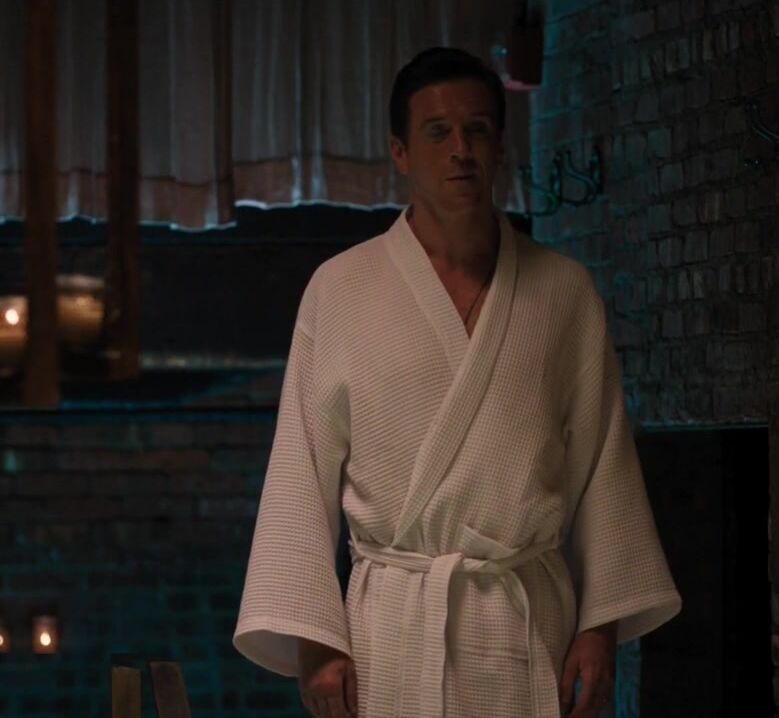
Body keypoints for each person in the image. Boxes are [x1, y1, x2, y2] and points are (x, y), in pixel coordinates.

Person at [233, 47, 681, 717]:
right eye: (438, 132)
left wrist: (599, 628)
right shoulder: (340, 289)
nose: (460, 150)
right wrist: (315, 640)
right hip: (392, 632)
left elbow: (603, 468)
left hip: (525, 625)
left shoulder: (564, 292)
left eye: (477, 131)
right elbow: (301, 467)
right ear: (400, 152)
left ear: (500, 148)